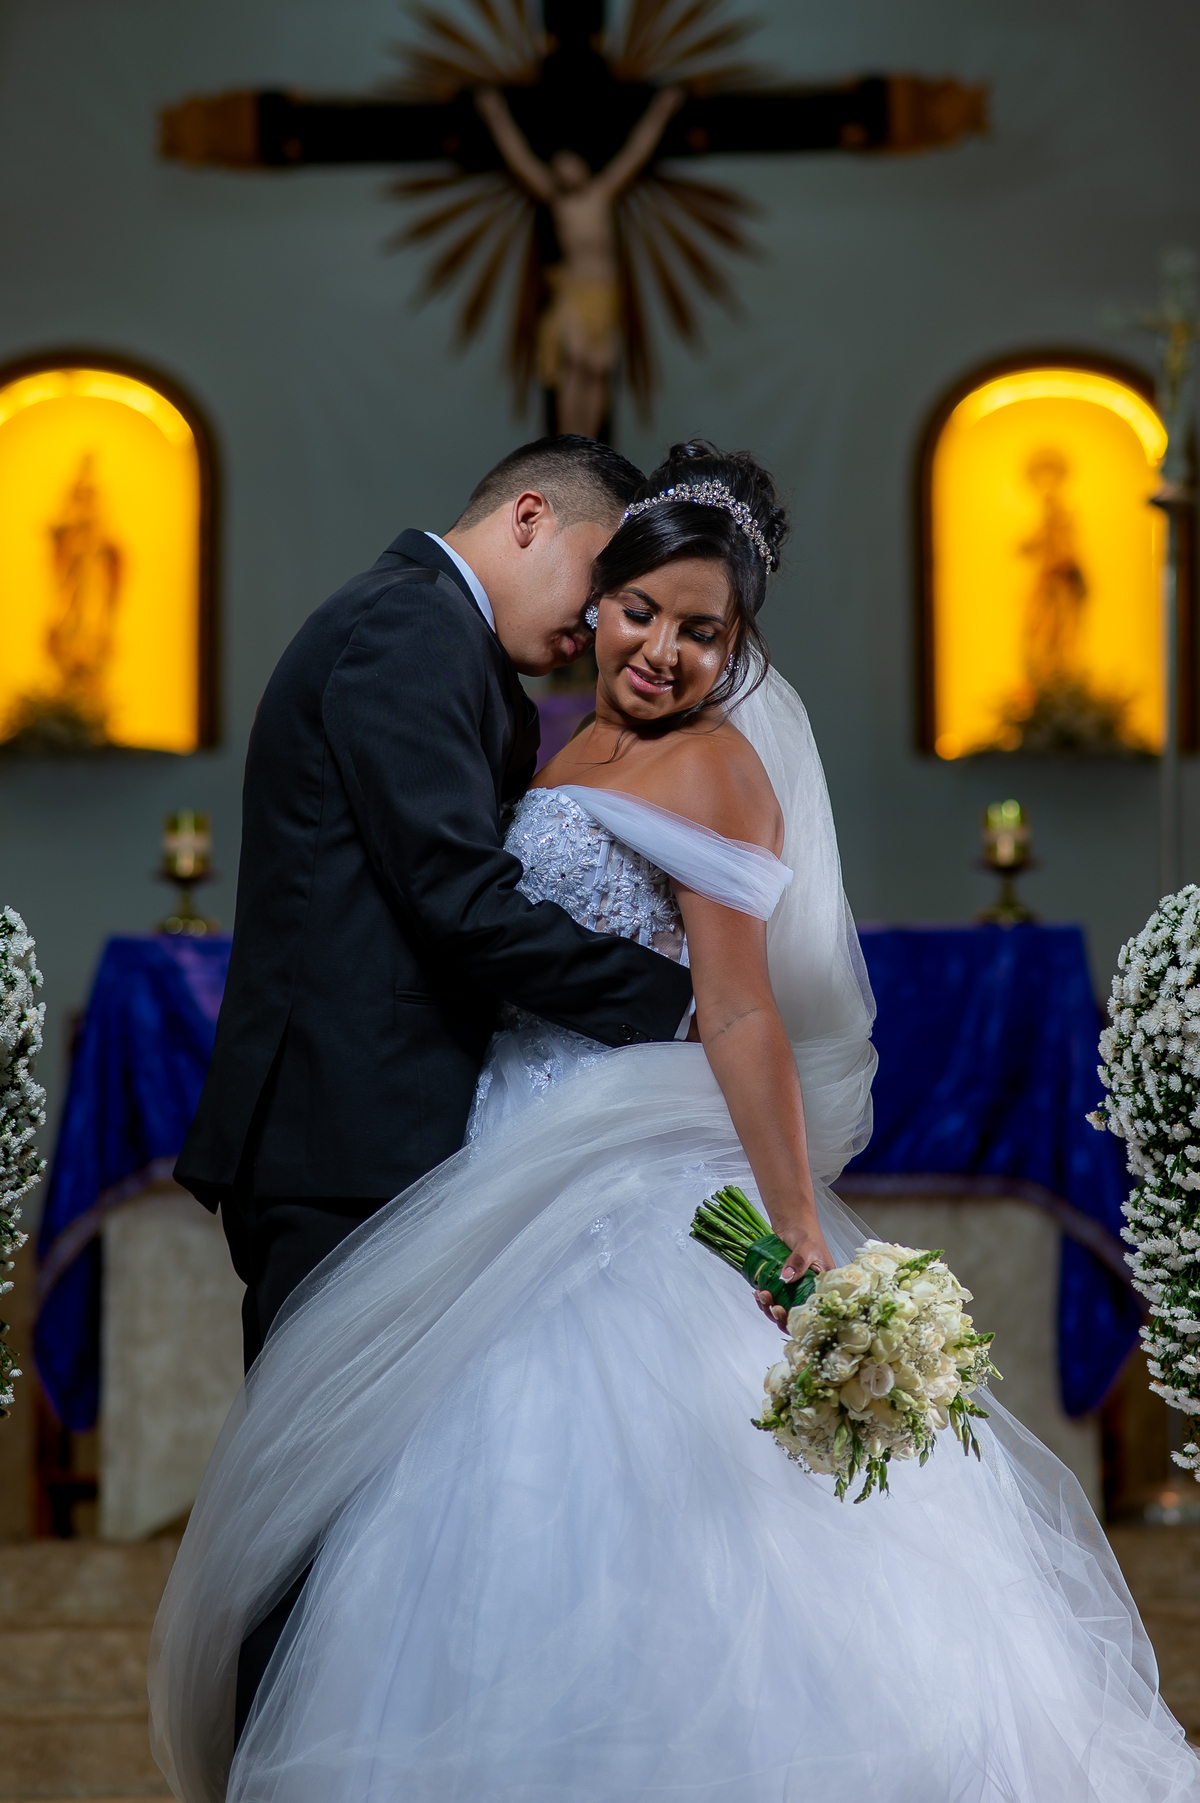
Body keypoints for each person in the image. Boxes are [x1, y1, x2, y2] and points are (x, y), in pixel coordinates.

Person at [153, 443, 1199, 1802]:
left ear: (736, 645)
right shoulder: (437, 649)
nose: (640, 639)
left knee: (509, 1497)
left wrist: (787, 1203)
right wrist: (670, 1003)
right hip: (429, 1149)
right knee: (353, 1508)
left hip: (540, 1161)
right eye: (625, 601)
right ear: (555, 539)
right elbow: (458, 905)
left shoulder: (692, 760)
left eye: (696, 628)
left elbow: (739, 1004)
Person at [474, 85, 683, 439]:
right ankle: (569, 442)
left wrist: (663, 109)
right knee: (574, 367)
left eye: (568, 162)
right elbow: (520, 159)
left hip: (605, 295)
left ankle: (589, 442)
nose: (564, 170)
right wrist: (495, 114)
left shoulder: (602, 194)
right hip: (574, 293)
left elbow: (636, 151)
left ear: (582, 163)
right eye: (557, 166)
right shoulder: (559, 203)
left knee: (599, 371)